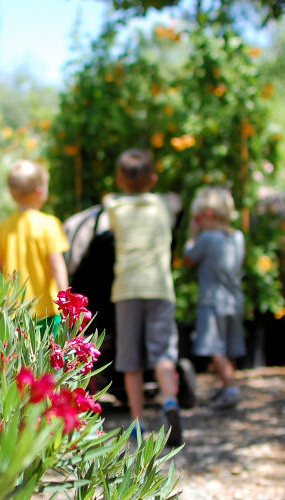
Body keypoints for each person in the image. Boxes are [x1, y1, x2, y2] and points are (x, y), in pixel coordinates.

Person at [103, 148, 183, 446]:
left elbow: (108, 206)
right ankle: (170, 403)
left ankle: (138, 421)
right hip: (160, 289)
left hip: (127, 290)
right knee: (162, 354)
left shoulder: (116, 208)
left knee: (131, 358)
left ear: (119, 179)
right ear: (153, 178)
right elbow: (176, 201)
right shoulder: (164, 206)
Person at [183, 186, 246, 410]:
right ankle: (227, 386)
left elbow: (189, 258)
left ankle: (231, 389)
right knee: (229, 348)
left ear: (207, 215)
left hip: (212, 301)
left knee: (213, 348)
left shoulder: (207, 238)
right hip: (235, 300)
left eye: (197, 218)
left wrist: (191, 236)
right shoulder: (238, 237)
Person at [0, 160, 69, 332]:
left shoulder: (3, 227)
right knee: (49, 357)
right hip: (47, 311)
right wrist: (66, 304)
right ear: (39, 192)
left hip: (14, 313)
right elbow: (57, 266)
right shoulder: (49, 224)